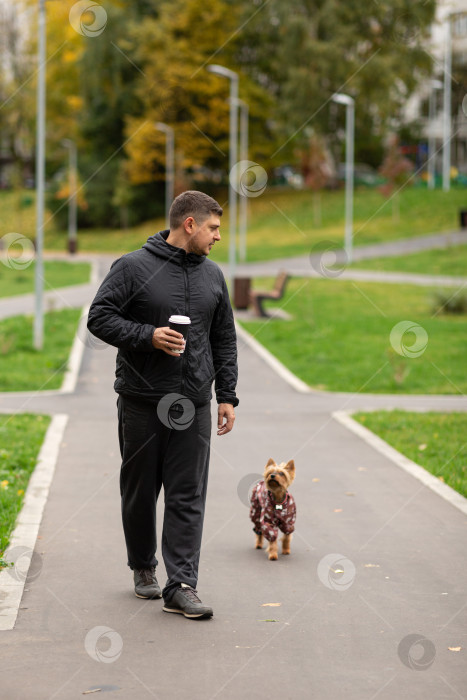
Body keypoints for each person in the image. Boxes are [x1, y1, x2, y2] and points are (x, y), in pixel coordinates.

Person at [87, 190, 238, 619]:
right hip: (141, 400)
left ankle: (182, 585)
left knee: (188, 494)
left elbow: (223, 338)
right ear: (189, 224)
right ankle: (142, 566)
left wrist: (226, 394)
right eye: (213, 228)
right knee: (140, 492)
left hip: (193, 402)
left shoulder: (213, 276)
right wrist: (147, 336)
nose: (218, 237)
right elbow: (99, 316)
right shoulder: (132, 267)